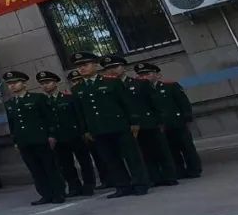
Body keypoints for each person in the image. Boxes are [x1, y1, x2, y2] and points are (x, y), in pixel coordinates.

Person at [71, 52, 149, 198]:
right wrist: (85, 130)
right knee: (111, 159)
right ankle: (122, 186)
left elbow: (126, 103)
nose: (82, 68)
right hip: (98, 129)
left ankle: (140, 184)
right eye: (79, 66)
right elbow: (79, 112)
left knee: (132, 157)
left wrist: (134, 121)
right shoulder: (77, 89)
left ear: (95, 65)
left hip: (119, 126)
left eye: (85, 65)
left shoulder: (111, 82)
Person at [103, 55, 178, 187]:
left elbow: (154, 103)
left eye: (115, 67)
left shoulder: (140, 83)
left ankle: (169, 176)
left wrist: (160, 121)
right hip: (127, 126)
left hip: (148, 122)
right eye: (108, 68)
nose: (112, 70)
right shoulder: (108, 87)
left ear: (123, 67)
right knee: (142, 154)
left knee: (160, 150)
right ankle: (152, 177)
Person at [3, 71, 65, 205]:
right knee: (35, 170)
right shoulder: (10, 104)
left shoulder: (37, 98)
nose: (12, 86)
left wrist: (51, 135)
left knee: (50, 167)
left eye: (15, 82)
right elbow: (12, 124)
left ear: (24, 83)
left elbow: (49, 118)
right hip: (24, 141)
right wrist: (15, 141)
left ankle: (58, 193)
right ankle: (45, 194)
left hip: (40, 139)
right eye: (9, 84)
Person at [136, 62, 202, 179]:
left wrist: (187, 117)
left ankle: (194, 169)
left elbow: (183, 102)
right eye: (141, 75)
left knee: (186, 147)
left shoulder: (170, 86)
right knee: (170, 150)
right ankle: (178, 170)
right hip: (160, 125)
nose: (144, 77)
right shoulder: (141, 91)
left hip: (176, 122)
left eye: (147, 74)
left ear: (157, 74)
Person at [38, 71, 94, 197]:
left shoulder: (69, 98)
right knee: (65, 164)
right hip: (58, 137)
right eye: (42, 84)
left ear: (55, 83)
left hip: (75, 134)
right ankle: (74, 186)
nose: (45, 86)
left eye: (48, 82)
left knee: (84, 161)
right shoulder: (44, 102)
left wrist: (84, 131)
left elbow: (79, 116)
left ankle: (89, 185)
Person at [69, 67, 110, 189]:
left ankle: (111, 178)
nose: (76, 82)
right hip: (82, 130)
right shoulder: (73, 94)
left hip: (95, 127)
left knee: (104, 155)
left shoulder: (88, 91)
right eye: (74, 81)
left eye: (78, 80)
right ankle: (104, 179)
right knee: (95, 157)